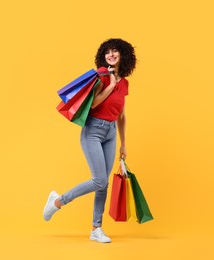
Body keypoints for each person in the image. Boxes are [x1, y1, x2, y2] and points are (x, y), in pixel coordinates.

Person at [43, 38, 137, 243]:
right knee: (99, 180)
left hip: (111, 132)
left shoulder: (126, 83)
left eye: (115, 52)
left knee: (103, 185)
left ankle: (96, 229)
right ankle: (58, 201)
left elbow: (121, 115)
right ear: (103, 56)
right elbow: (93, 104)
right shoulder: (101, 77)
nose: (111, 55)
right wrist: (111, 85)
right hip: (93, 130)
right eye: (107, 52)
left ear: (123, 55)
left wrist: (123, 144)